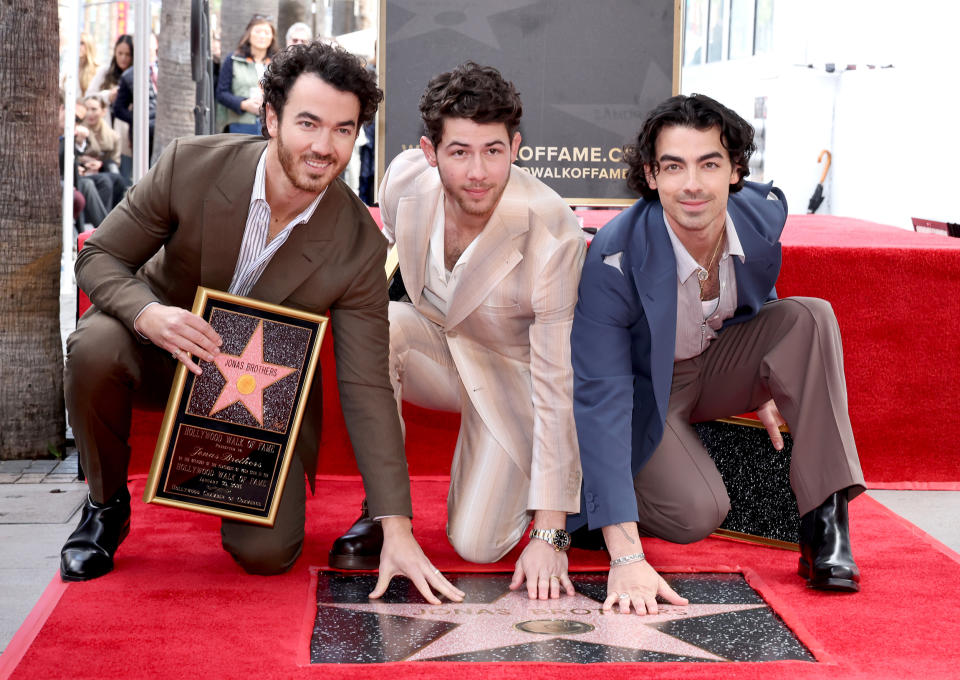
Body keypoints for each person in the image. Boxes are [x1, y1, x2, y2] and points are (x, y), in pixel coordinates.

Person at [60, 42, 464, 607]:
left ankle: (240, 504)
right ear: (270, 117)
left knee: (267, 556)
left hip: (260, 400)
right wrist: (150, 315)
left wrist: (396, 524)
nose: (325, 147)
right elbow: (97, 256)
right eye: (308, 123)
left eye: (344, 130)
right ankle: (105, 507)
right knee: (95, 344)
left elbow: (368, 384)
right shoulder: (189, 165)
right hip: (163, 354)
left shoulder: (359, 245)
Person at [570, 94, 866, 615]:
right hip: (647, 393)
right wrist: (624, 551)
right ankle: (594, 502)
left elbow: (759, 300)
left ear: (734, 170)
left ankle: (824, 520)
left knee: (809, 316)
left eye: (709, 164)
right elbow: (601, 396)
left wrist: (774, 379)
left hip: (716, 358)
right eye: (674, 166)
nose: (692, 184)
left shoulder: (760, 219)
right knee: (694, 515)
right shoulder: (615, 256)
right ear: (651, 174)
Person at [329, 63, 586, 601]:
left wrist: (551, 532)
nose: (478, 172)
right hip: (436, 348)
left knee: (477, 545)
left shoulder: (552, 231)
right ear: (429, 152)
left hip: (512, 376)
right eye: (460, 151)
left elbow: (555, 382)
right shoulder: (402, 183)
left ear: (515, 147)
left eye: (493, 151)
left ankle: (569, 496)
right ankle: (381, 508)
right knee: (377, 328)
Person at [216, 15, 278, 134]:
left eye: (266, 32)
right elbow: (221, 93)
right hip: (240, 124)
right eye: (258, 31)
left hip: (271, 124)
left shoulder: (278, 63)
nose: (262, 36)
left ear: (272, 37)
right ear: (249, 35)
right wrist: (244, 104)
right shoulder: (233, 60)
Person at [113, 33, 158, 161]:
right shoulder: (129, 75)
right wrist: (137, 119)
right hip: (144, 134)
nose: (147, 48)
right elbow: (119, 108)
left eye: (150, 44)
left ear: (156, 45)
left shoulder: (168, 69)